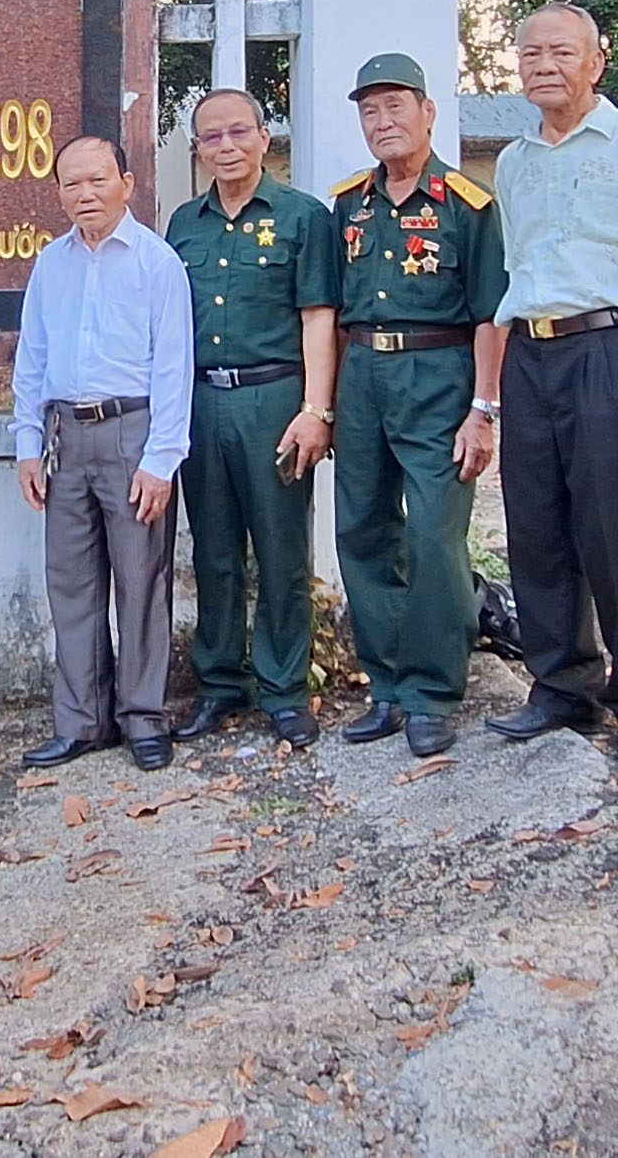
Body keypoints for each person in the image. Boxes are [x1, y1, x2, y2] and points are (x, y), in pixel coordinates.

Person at [487, 2, 618, 763]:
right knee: (536, 527)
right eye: (531, 53)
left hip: (614, 348)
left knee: (617, 530)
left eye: (562, 52)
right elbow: (517, 267)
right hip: (532, 353)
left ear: (597, 60)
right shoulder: (514, 161)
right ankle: (560, 687)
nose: (544, 65)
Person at [327, 54, 508, 758]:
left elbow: (494, 314)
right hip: (365, 373)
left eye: (396, 106)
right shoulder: (350, 204)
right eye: (370, 111)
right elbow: (334, 311)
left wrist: (484, 408)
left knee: (434, 535)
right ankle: (387, 685)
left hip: (440, 373)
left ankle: (433, 691)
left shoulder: (469, 205)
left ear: (429, 112)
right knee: (364, 529)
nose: (383, 122)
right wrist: (333, 402)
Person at [10, 134, 196, 770]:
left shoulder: (156, 262)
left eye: (97, 180)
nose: (84, 194)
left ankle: (143, 717)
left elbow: (175, 364)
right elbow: (31, 358)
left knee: (140, 578)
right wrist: (27, 443)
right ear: (57, 191)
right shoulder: (51, 263)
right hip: (66, 436)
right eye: (70, 183)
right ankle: (83, 721)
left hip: (132, 433)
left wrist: (161, 459)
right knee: (72, 582)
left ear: (126, 184)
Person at [164, 90, 341, 748]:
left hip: (274, 401)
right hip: (202, 402)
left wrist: (315, 410)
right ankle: (219, 685)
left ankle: (285, 690)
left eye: (239, 132)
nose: (227, 146)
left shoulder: (302, 218)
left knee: (281, 550)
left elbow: (318, 317)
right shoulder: (184, 224)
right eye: (211, 138)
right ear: (199, 150)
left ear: (266, 138)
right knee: (213, 552)